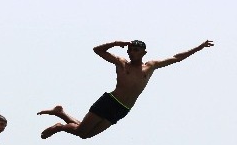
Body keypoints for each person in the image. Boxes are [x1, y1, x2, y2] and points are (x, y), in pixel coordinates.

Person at [37, 39, 214, 139]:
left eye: (136, 50)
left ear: (144, 52)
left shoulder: (150, 66)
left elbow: (176, 57)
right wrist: (116, 42)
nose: (132, 52)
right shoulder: (121, 63)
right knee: (82, 131)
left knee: (85, 135)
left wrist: (198, 47)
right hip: (109, 102)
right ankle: (59, 126)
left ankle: (60, 112)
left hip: (123, 109)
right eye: (131, 49)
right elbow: (97, 50)